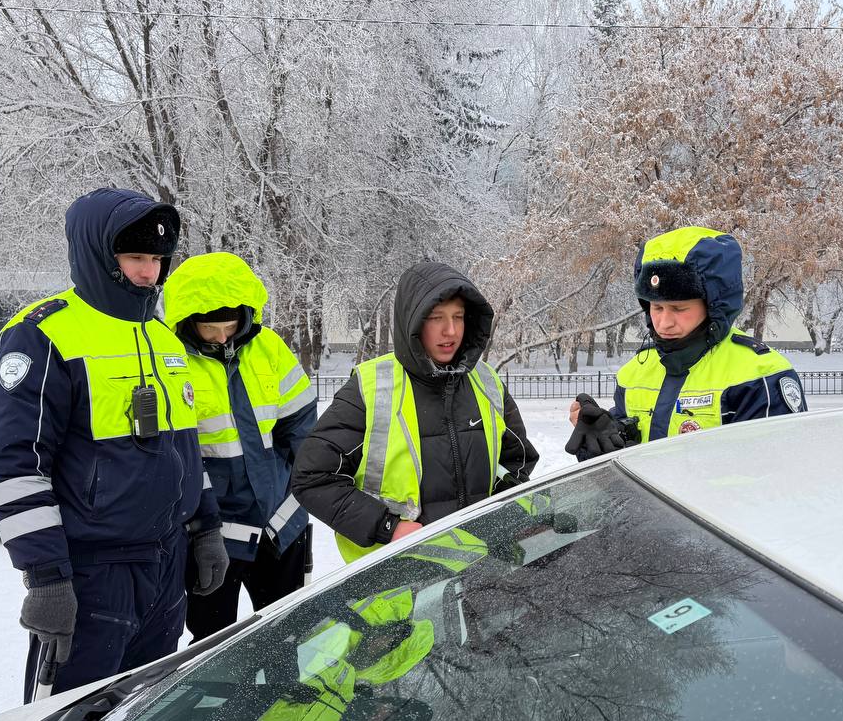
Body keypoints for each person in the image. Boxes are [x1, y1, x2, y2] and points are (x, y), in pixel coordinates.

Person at [0, 188, 227, 702]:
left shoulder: (163, 339)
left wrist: (206, 528)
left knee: (147, 720)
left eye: (157, 259)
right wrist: (45, 576)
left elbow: (185, 450)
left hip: (164, 566)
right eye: (136, 257)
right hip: (92, 575)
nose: (149, 273)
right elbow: (12, 467)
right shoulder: (43, 335)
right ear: (97, 253)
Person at [292, 261, 538, 562]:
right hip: (395, 584)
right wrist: (388, 527)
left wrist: (507, 504)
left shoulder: (485, 382)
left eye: (458, 317)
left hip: (479, 574)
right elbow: (312, 477)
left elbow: (516, 461)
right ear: (414, 320)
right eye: (436, 318)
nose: (450, 331)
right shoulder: (371, 388)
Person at [161, 252, 317, 640]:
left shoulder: (269, 348)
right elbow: (179, 457)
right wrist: (201, 527)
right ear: (187, 322)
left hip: (281, 526)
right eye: (210, 329)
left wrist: (303, 486)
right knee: (213, 649)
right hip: (215, 537)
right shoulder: (172, 362)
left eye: (229, 326)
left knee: (289, 638)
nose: (222, 337)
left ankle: (284, 702)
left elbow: (301, 426)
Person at [566, 226, 807, 459]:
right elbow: (624, 471)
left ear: (714, 305)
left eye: (679, 308)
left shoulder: (759, 375)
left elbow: (779, 472)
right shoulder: (635, 372)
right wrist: (603, 443)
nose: (664, 322)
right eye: (656, 307)